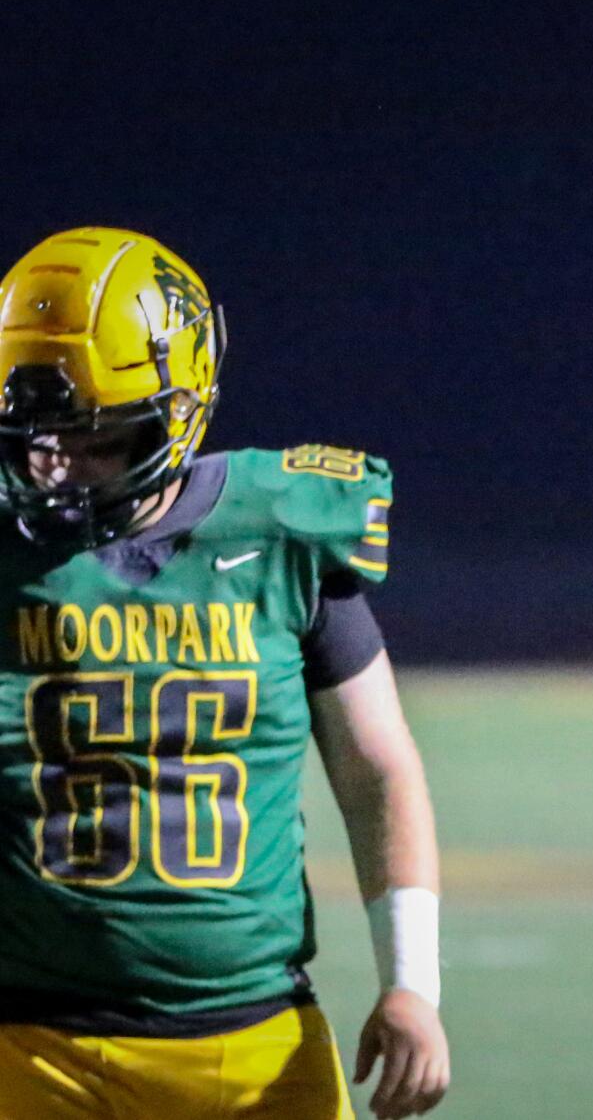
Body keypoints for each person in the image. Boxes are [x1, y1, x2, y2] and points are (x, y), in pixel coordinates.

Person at [0, 227, 448, 1119]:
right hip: (25, 1041)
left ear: (180, 405)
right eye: (36, 438)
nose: (58, 466)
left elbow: (375, 768)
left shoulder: (281, 533)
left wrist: (412, 983)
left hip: (250, 1044)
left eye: (96, 438)